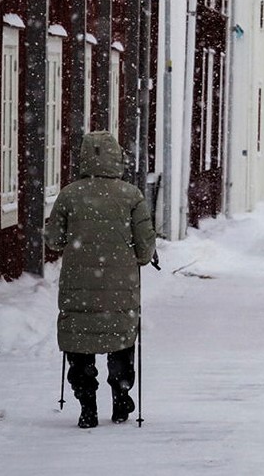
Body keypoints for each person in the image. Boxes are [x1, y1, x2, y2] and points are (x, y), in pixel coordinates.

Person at [43, 130, 157, 429]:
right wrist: (140, 257)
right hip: (120, 288)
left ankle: (86, 405)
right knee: (120, 339)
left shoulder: (69, 194)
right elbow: (145, 246)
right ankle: (121, 397)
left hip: (78, 288)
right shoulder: (132, 195)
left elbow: (53, 240)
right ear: (117, 157)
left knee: (79, 344)